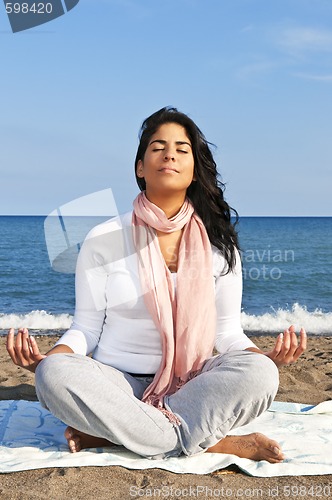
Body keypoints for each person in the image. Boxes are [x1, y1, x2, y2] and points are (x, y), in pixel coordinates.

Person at [7, 107, 306, 463]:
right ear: (139, 167)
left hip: (193, 384)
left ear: (195, 170)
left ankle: (123, 435)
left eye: (182, 149)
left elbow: (227, 334)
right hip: (116, 384)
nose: (170, 154)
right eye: (158, 147)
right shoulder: (104, 238)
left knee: (260, 375)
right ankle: (213, 441)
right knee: (54, 375)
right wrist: (47, 360)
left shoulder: (219, 246)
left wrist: (267, 359)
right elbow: (85, 328)